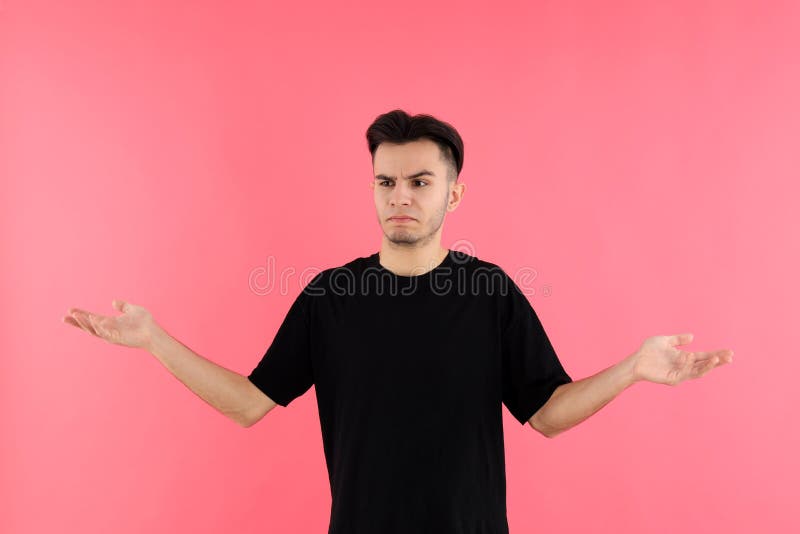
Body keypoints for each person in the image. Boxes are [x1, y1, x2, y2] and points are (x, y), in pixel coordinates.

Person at [63, 109, 734, 534]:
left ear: (454, 192)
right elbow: (248, 404)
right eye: (386, 183)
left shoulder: (489, 293)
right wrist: (153, 339)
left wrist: (634, 370)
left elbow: (547, 413)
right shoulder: (332, 298)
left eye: (420, 182)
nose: (401, 198)